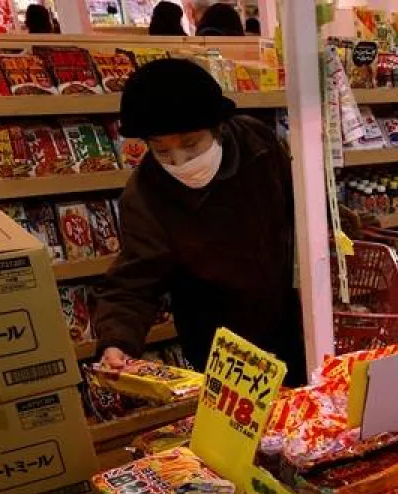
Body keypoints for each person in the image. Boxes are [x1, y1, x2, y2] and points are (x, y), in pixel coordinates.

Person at [95, 59, 303, 383]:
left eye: (191, 145)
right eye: (162, 152)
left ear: (217, 128)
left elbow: (302, 206)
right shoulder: (146, 195)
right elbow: (134, 280)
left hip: (293, 315)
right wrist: (116, 341)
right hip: (222, 344)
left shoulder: (258, 144)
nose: (181, 162)